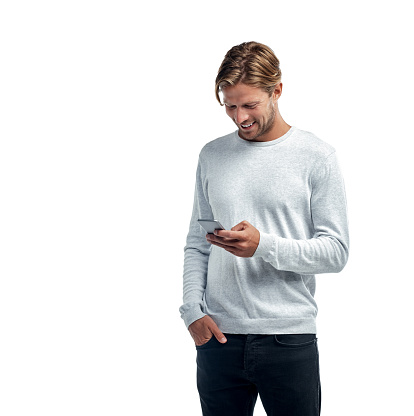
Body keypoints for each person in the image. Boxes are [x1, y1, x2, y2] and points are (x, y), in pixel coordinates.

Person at [179, 41, 349, 416]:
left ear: (277, 91)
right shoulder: (212, 154)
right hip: (218, 338)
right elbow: (197, 243)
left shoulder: (316, 156)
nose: (240, 117)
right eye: (230, 106)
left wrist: (263, 245)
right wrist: (192, 310)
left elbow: (336, 252)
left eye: (250, 104)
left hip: (289, 340)